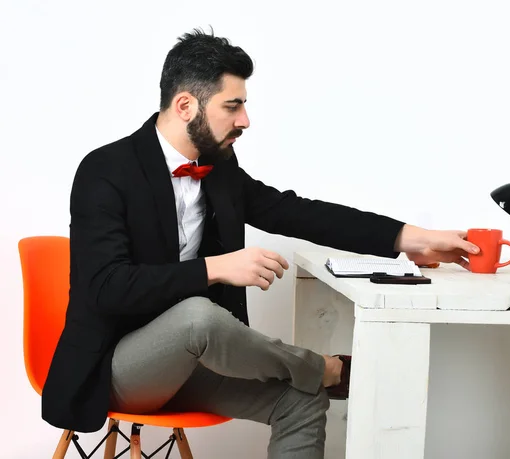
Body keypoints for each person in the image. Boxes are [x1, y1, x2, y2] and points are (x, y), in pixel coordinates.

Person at [41, 28, 480, 458]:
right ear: (185, 105)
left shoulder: (220, 169)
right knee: (198, 315)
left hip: (192, 364)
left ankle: (315, 378)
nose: (245, 120)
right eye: (233, 106)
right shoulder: (105, 170)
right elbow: (104, 287)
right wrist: (216, 268)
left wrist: (410, 238)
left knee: (303, 399)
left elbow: (297, 212)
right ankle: (321, 367)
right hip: (115, 369)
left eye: (245, 106)